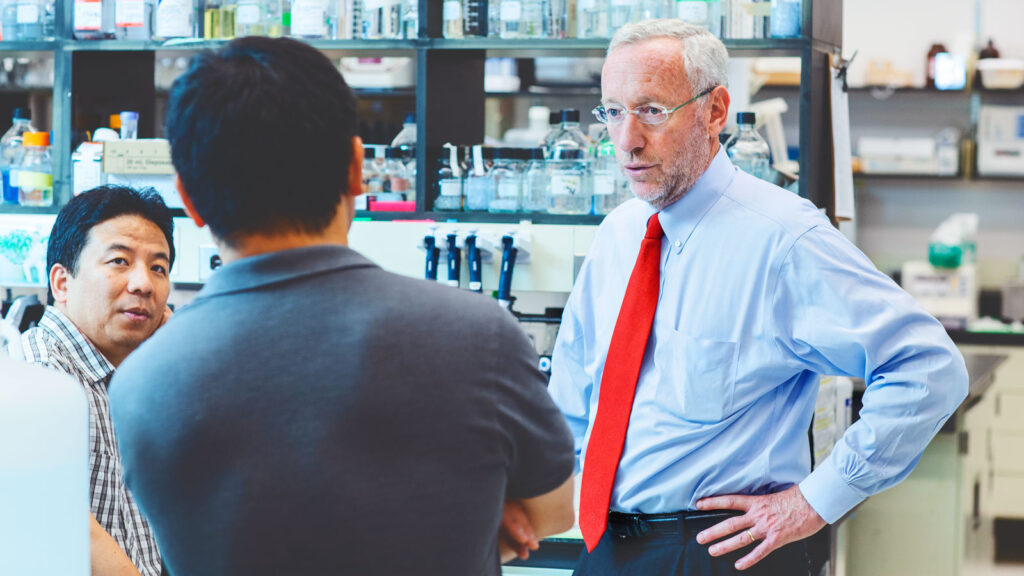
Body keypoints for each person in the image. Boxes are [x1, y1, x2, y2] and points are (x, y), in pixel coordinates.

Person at [107, 36, 575, 576]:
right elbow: (554, 511)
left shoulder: (141, 384)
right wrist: (469, 518)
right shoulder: (476, 336)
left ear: (186, 198)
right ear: (357, 167)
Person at [545, 19, 969, 575]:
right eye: (613, 112)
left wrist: (815, 502)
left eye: (651, 110)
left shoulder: (784, 238)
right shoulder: (619, 233)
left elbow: (930, 370)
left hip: (720, 552)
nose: (626, 139)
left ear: (715, 111)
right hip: (604, 545)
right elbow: (574, 393)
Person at [22, 185, 174, 576]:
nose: (144, 284)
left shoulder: (127, 372)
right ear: (62, 283)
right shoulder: (39, 374)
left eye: (159, 267)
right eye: (120, 261)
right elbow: (68, 526)